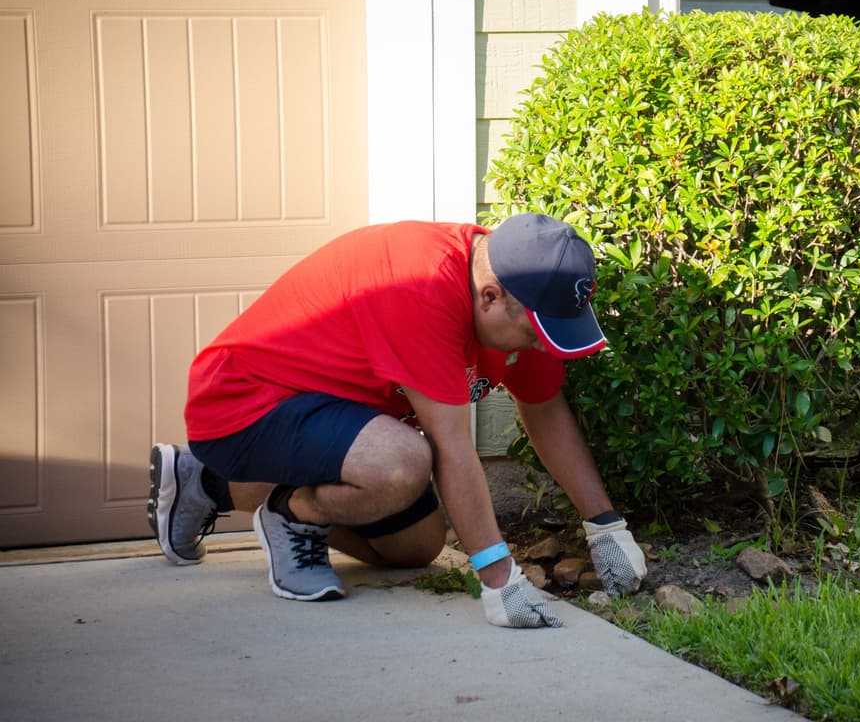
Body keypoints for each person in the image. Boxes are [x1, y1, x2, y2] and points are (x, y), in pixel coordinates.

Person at [146, 213, 647, 628]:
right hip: (244, 402)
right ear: (489, 297)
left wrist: (605, 526)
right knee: (401, 463)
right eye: (539, 333)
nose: (544, 345)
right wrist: (501, 583)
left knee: (416, 546)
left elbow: (543, 408)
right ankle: (289, 511)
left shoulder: (521, 294)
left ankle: (204, 483)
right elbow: (452, 448)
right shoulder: (423, 285)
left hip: (335, 415)